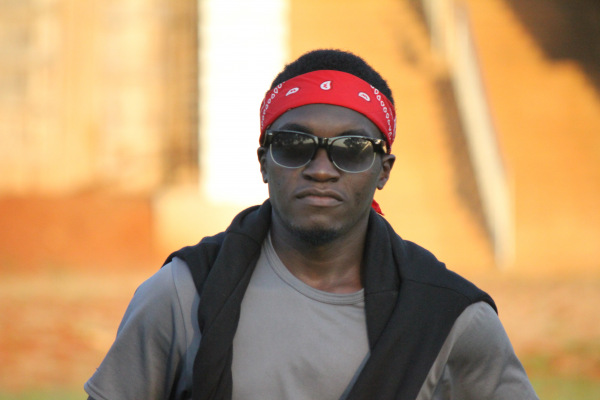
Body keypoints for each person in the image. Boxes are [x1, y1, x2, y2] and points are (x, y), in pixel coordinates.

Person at [85, 49, 538, 400]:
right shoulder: (184, 294)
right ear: (264, 161)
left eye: (351, 149)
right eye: (294, 145)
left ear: (383, 170)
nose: (321, 169)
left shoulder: (447, 316)